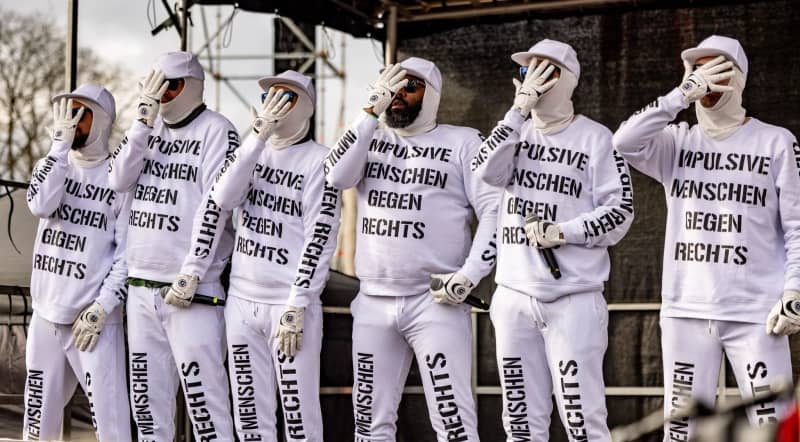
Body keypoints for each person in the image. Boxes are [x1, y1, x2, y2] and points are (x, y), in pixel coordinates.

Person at [612, 35, 799, 439]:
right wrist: (679, 97)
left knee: (774, 427)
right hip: (686, 311)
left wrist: (795, 289)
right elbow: (623, 141)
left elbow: (797, 225)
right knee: (680, 430)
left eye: (719, 70)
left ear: (740, 78)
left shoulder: (776, 142)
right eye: (700, 70)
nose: (708, 81)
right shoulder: (677, 141)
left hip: (756, 314)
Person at [324, 56, 500, 441]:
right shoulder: (369, 135)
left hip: (436, 302)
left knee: (454, 424)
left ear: (431, 95)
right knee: (369, 425)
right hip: (372, 299)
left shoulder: (463, 141)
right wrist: (370, 110)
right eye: (393, 86)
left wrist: (470, 275)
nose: (399, 95)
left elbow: (495, 210)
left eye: (410, 87)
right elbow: (336, 175)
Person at [471, 39, 633, 441]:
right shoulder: (515, 131)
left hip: (573, 297)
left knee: (583, 421)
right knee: (521, 424)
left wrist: (566, 231)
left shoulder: (597, 138)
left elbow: (620, 213)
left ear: (569, 80)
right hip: (513, 296)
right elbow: (484, 172)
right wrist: (516, 111)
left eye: (548, 71)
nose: (535, 79)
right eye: (528, 71)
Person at [108, 51, 238, 441]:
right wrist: (141, 123)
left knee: (207, 411)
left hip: (192, 295)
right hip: (142, 290)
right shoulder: (146, 131)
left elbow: (214, 206)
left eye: (171, 85)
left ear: (192, 86)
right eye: (155, 85)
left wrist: (193, 270)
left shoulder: (218, 130)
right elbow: (117, 179)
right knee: (148, 411)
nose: (162, 94)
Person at [210, 70, 340, 441]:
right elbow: (223, 198)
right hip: (242, 300)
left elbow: (321, 236)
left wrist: (298, 302)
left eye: (288, 97)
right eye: (272, 95)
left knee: (299, 416)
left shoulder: (320, 159)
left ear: (307, 107)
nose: (277, 103)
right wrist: (256, 138)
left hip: (288, 304)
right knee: (250, 417)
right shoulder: (250, 151)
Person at [23, 84, 132, 441]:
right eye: (67, 112)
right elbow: (39, 205)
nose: (71, 122)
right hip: (45, 315)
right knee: (37, 428)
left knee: (111, 426)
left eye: (81, 114)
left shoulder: (121, 178)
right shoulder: (51, 164)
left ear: (101, 121)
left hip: (92, 323)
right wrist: (57, 149)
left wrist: (103, 307)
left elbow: (126, 255)